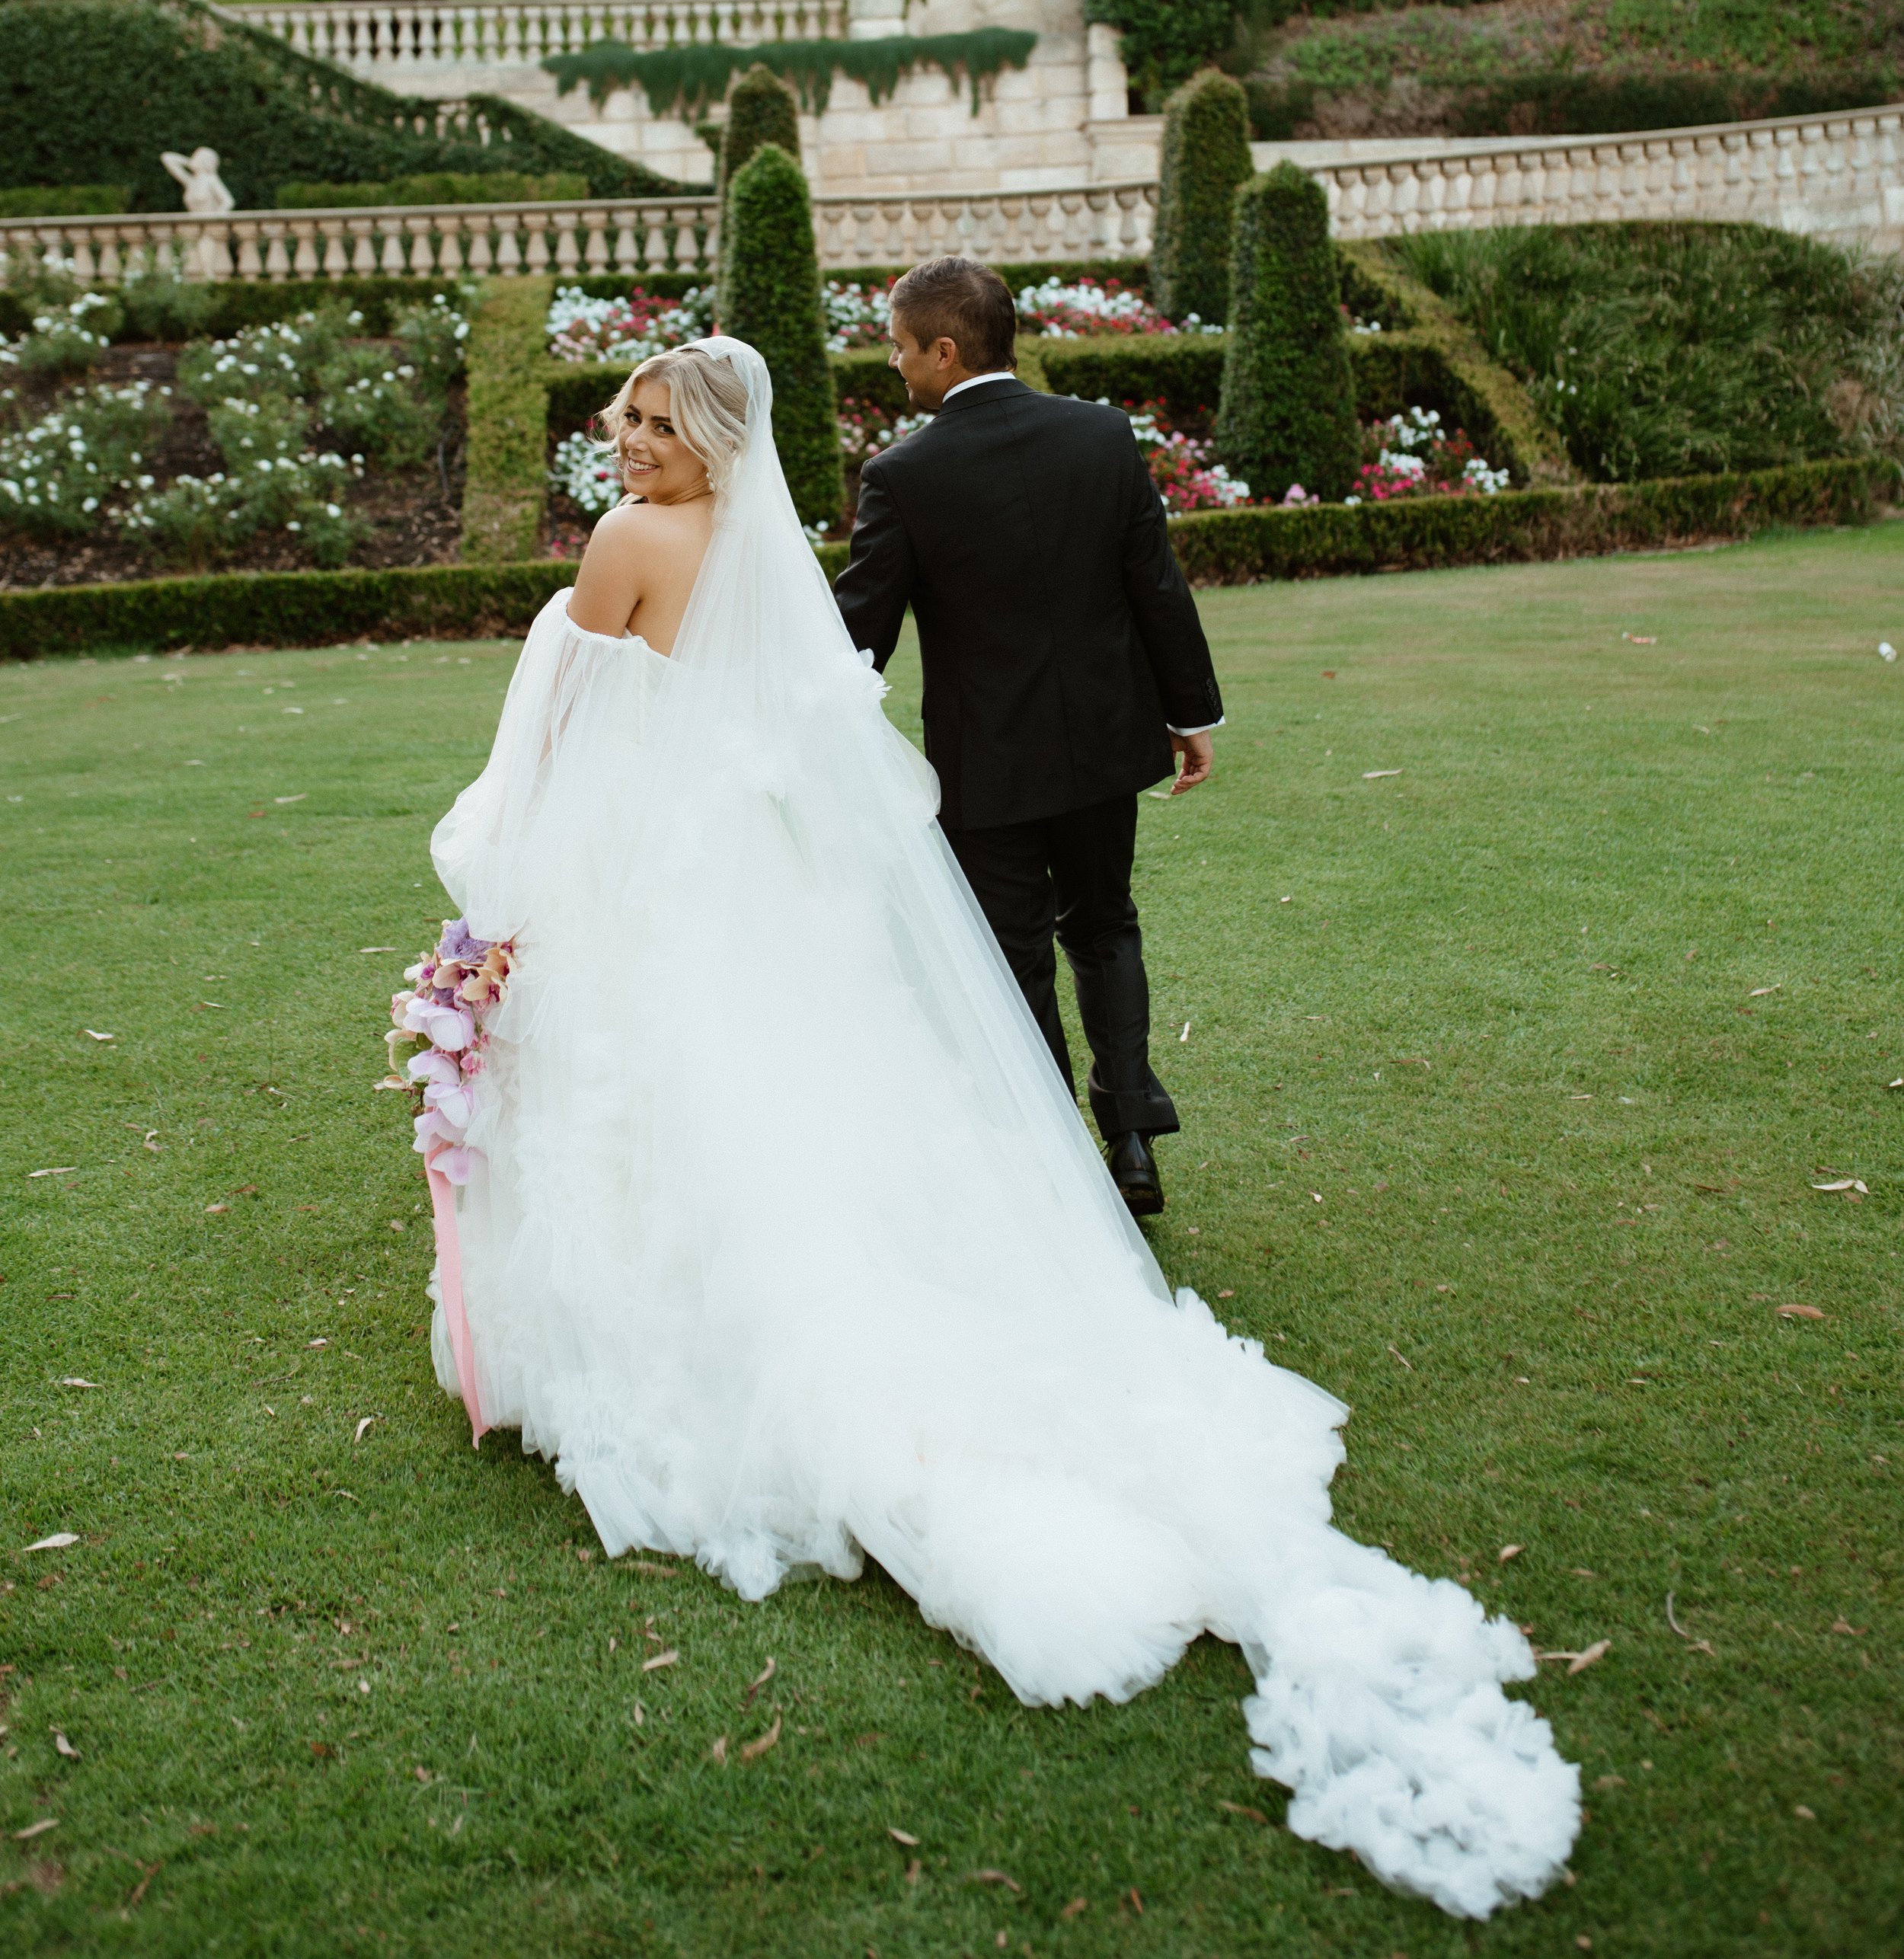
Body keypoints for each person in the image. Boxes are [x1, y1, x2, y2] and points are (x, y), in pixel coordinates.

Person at [423, 336, 1579, 1919]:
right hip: (744, 886)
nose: (623, 446)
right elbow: (814, 738)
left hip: (644, 886)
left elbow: (547, 744)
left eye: (650, 423)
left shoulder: (627, 551)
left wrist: (498, 904)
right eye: (619, 422)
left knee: (662, 1111)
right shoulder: (760, 558)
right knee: (797, 1111)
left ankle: (695, 1343)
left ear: (707, 439)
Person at [832, 257, 1219, 1219]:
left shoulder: (903, 476)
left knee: (1013, 962)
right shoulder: (1100, 435)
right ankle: (1130, 1138)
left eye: (900, 346)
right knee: (1106, 926)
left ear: (946, 350)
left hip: (987, 769)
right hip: (1104, 747)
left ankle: (1059, 1166)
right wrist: (1190, 715)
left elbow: (858, 635)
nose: (894, 363)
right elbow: (1155, 588)